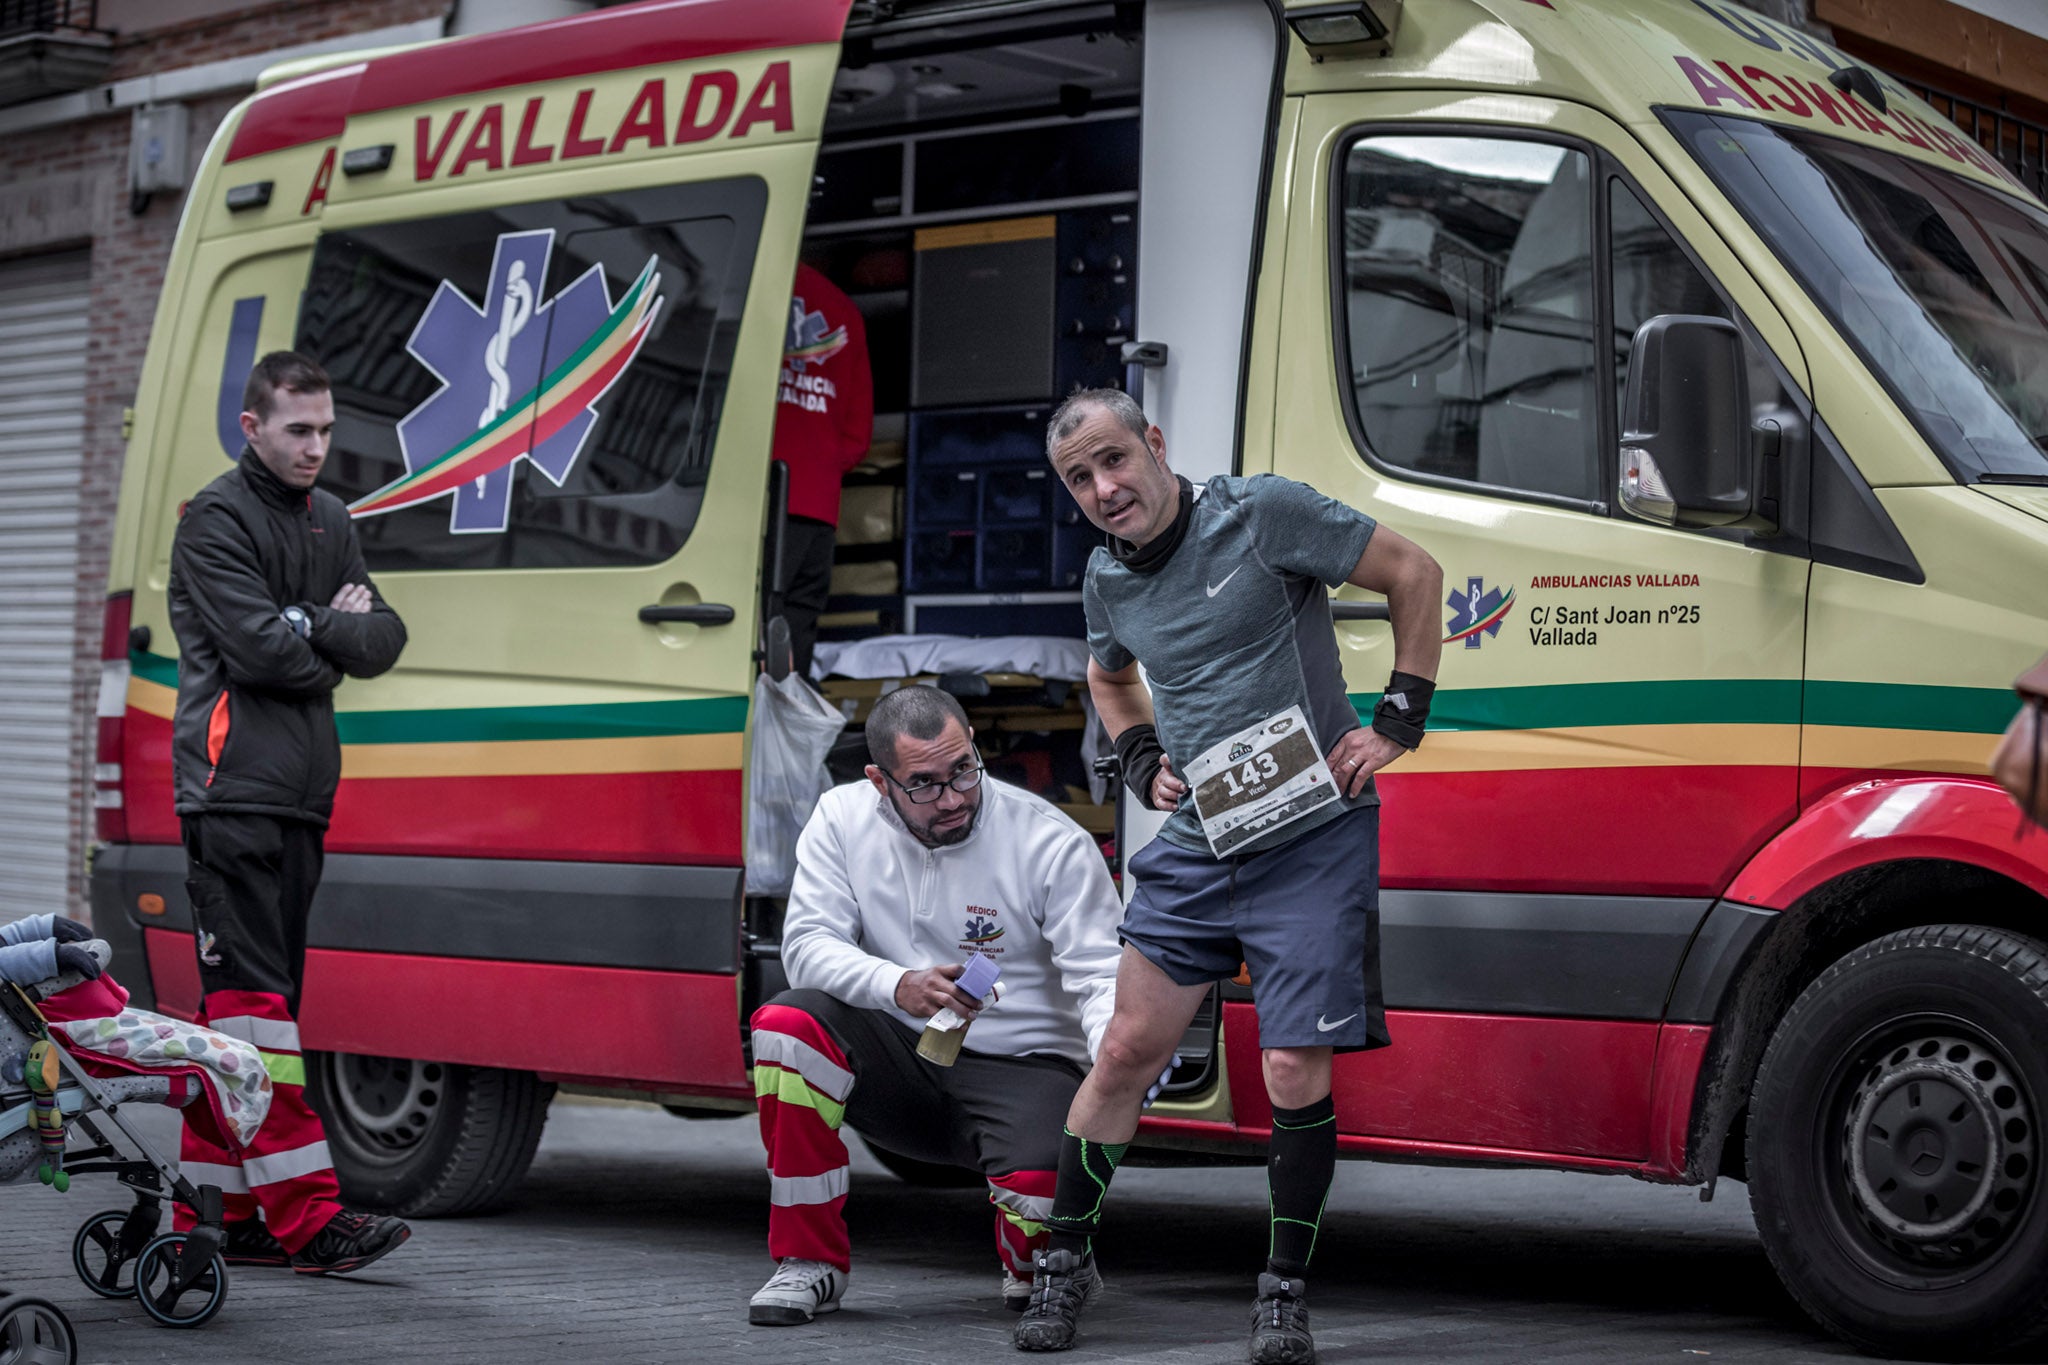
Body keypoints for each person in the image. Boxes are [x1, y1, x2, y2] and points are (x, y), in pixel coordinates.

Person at [1015, 388, 1444, 1364]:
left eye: (1115, 460)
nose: (1103, 487)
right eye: (1078, 478)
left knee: (1290, 1066)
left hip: (1310, 835)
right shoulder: (1106, 579)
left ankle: (1282, 1291)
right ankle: (1063, 1258)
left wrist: (1396, 723)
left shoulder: (1260, 516)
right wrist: (1136, 759)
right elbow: (1108, 676)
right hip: (1202, 840)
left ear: (1155, 443)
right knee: (1126, 1046)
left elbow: (1413, 571)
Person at [747, 685, 1123, 1326]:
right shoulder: (840, 817)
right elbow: (807, 947)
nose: (952, 798)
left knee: (1033, 1243)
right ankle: (808, 1265)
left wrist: (1119, 1070)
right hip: (898, 1056)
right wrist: (897, 985)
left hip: (1023, 1067)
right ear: (878, 780)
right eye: (923, 784)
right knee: (787, 1025)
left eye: (963, 771)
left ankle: (1048, 1257)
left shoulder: (1047, 840)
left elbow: (1101, 977)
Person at [166, 350, 411, 1276]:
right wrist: (322, 630)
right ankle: (309, 1219)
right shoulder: (214, 519)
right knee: (258, 1013)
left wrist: (313, 626)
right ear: (252, 427)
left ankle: (221, 1213)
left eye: (325, 429)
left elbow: (383, 636)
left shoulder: (333, 517)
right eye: (297, 429)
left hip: (301, 801)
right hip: (230, 795)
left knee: (247, 1019)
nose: (315, 446)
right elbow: (266, 654)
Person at [773, 261, 875, 680]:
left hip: (762, 502)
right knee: (794, 633)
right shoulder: (842, 308)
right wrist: (819, 467)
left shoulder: (755, 280)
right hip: (818, 508)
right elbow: (857, 434)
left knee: (750, 635)